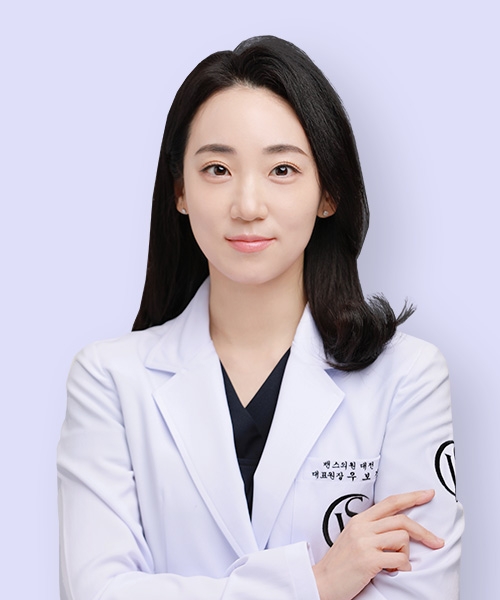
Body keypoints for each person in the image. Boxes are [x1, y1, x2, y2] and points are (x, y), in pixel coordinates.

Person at [57, 36, 464, 599]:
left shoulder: (407, 378)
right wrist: (318, 584)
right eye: (217, 169)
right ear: (180, 191)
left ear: (328, 193)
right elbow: (97, 592)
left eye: (283, 169)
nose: (247, 206)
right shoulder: (109, 380)